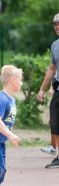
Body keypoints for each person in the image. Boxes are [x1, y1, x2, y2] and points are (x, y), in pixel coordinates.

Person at [37, 13, 59, 168]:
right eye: (55, 24)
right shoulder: (55, 45)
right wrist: (42, 89)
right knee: (55, 122)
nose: (57, 27)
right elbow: (52, 69)